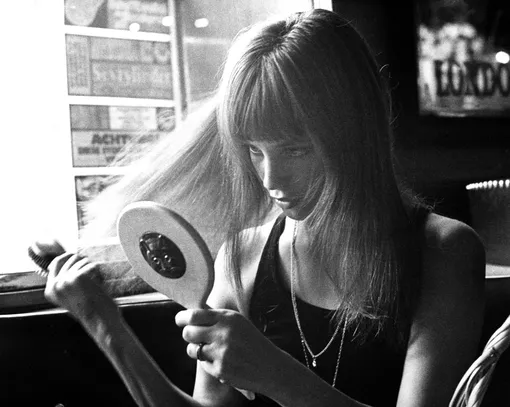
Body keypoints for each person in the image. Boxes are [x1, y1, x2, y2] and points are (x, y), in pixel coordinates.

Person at [43, 8, 486, 407]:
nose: (272, 180)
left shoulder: (444, 252)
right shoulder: (243, 258)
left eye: (295, 150)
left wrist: (277, 376)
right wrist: (103, 323)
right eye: (254, 150)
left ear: (359, 129)